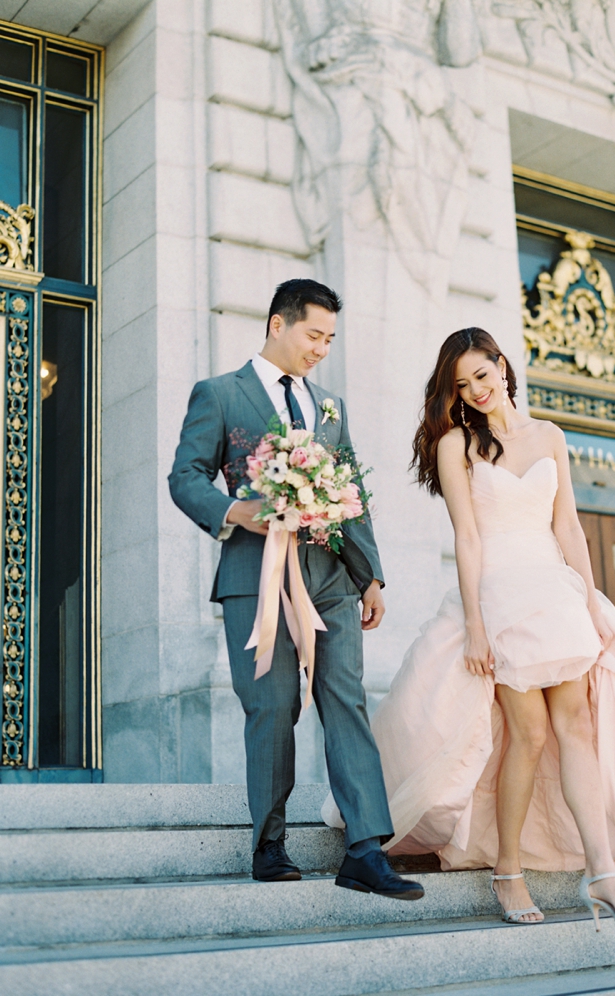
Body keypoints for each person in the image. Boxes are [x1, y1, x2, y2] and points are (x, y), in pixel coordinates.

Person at [337, 326, 615, 927]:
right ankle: (507, 870)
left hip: (556, 592)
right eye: (463, 385)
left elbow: (568, 528)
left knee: (579, 726)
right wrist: (477, 625)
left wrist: (591, 603)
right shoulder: (456, 445)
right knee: (528, 733)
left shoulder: (551, 436)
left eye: (483, 375)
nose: (478, 390)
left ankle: (603, 873)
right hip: (501, 594)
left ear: (503, 366)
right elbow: (467, 537)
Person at [169, 279, 423, 901]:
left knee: (347, 701)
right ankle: (269, 842)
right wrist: (235, 511)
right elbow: (185, 476)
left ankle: (365, 849)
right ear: (278, 325)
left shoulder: (330, 405)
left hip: (330, 577)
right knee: (273, 708)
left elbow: (351, 493)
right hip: (255, 578)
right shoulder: (220, 393)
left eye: (330, 340)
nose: (321, 350)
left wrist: (372, 575)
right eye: (314, 335)